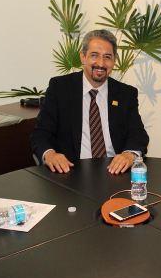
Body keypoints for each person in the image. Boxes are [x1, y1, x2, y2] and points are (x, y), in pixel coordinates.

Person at [30, 29, 149, 175]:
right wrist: (50, 154)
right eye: (94, 55)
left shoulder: (126, 94)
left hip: (114, 171)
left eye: (107, 57)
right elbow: (41, 133)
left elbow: (138, 134)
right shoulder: (60, 88)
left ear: (114, 61)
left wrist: (129, 155)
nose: (101, 63)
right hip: (70, 172)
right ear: (83, 57)